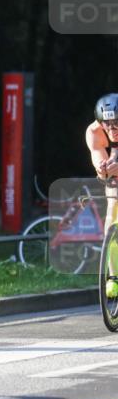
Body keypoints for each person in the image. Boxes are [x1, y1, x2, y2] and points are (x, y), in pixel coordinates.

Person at [88, 93, 118, 297]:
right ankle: (114, 276)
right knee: (113, 205)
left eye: (117, 123)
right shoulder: (94, 132)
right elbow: (102, 169)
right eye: (107, 124)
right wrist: (102, 168)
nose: (112, 129)